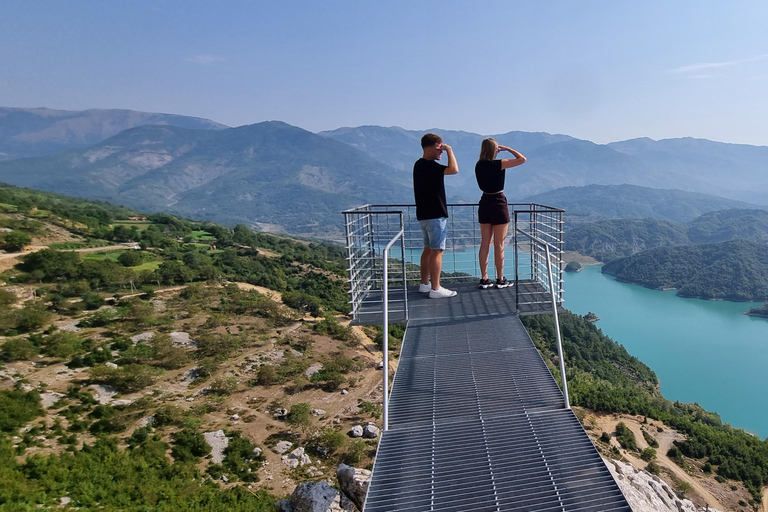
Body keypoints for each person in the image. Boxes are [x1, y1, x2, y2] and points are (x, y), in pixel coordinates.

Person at [475, 137, 527, 289]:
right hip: (498, 202)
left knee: (485, 243)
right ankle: (500, 279)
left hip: (484, 202)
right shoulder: (499, 164)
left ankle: (484, 278)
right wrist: (508, 148)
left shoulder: (478, 165)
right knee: (499, 244)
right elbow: (522, 159)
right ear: (494, 150)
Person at [413, 133, 459, 299]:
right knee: (437, 251)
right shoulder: (431, 166)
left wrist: (444, 149)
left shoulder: (418, 165)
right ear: (431, 148)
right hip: (435, 215)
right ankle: (436, 288)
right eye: (440, 149)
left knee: (427, 249)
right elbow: (454, 169)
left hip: (423, 215)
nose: (442, 152)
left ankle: (425, 284)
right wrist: (450, 151)